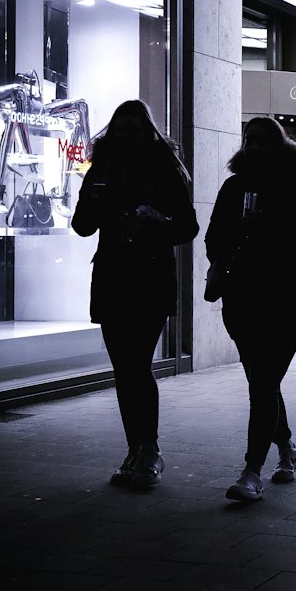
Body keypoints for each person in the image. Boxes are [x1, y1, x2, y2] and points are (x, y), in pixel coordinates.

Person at [71, 100, 199, 489]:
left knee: (137, 365)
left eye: (134, 130)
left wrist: (156, 222)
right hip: (112, 277)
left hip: (150, 278)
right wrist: (94, 202)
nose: (126, 137)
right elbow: (80, 226)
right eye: (121, 130)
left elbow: (188, 227)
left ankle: (150, 451)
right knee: (124, 370)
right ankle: (136, 450)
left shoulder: (166, 170)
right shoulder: (100, 170)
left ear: (147, 133)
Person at [205, 117, 296, 503]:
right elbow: (213, 240)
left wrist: (271, 226)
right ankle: (287, 448)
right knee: (263, 382)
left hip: (284, 300)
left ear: (279, 147)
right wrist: (240, 231)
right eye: (249, 141)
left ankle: (251, 470)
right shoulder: (233, 187)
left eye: (263, 142)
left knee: (263, 383)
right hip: (242, 298)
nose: (254, 148)